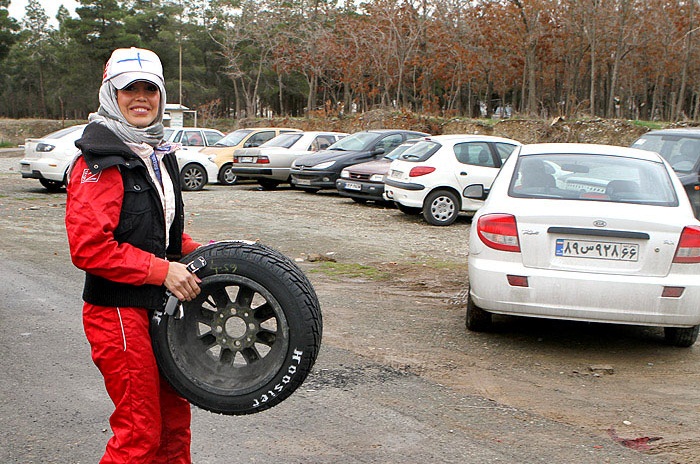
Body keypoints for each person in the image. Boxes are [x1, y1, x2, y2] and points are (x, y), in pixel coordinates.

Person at [65, 47, 202, 463]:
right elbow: (90, 248)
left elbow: (159, 237)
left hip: (159, 310)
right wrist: (161, 271)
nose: (140, 97)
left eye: (150, 89)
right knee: (140, 433)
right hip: (118, 314)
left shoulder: (158, 153)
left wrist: (215, 254)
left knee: (174, 423)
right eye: (129, 89)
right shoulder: (99, 161)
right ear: (111, 93)